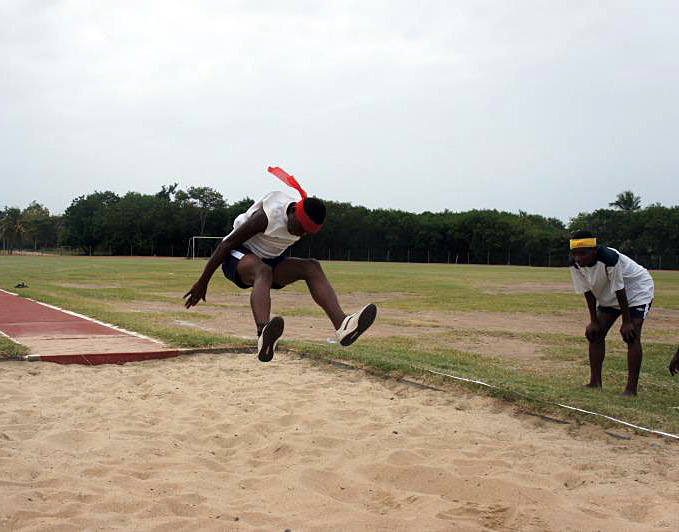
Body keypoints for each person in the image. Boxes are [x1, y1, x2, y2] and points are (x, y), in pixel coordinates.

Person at [184, 166, 377, 362]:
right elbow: (227, 243)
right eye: (300, 228)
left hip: (269, 259)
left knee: (312, 267)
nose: (300, 234)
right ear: (292, 211)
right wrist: (203, 282)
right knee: (263, 271)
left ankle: (342, 325)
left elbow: (296, 235)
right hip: (238, 255)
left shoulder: (300, 219)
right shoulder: (267, 217)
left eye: (306, 233)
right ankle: (263, 334)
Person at [568, 230, 654, 396]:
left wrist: (627, 322)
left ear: (594, 251)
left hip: (636, 291)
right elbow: (587, 291)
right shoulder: (574, 263)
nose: (578, 258)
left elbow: (620, 289)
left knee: (631, 335)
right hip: (610, 294)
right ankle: (595, 382)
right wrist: (593, 320)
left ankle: (630, 390)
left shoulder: (609, 258)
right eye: (574, 253)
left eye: (582, 253)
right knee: (595, 334)